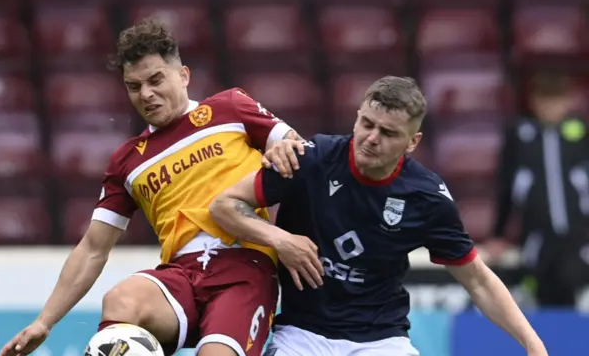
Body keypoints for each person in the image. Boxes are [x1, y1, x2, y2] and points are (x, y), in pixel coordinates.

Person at [0, 19, 304, 356]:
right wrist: (44, 322)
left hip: (245, 269)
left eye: (156, 80)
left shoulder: (229, 108)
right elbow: (93, 248)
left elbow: (297, 147)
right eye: (134, 86)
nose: (146, 94)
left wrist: (285, 147)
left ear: (184, 75)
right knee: (121, 300)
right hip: (182, 276)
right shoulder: (127, 161)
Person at [210, 76, 548, 356]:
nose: (371, 139)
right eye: (366, 124)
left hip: (381, 341)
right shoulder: (312, 160)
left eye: (388, 133)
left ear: (413, 141)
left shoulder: (427, 197)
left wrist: (533, 345)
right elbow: (224, 205)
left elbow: (477, 279)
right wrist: (280, 240)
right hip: (302, 333)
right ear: (356, 117)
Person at [488, 71, 589, 307]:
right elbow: (506, 186)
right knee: (541, 288)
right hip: (537, 234)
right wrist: (499, 234)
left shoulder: (581, 133)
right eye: (545, 100)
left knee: (573, 283)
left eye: (557, 100)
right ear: (534, 101)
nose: (551, 107)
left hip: (578, 235)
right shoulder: (519, 134)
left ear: (569, 100)